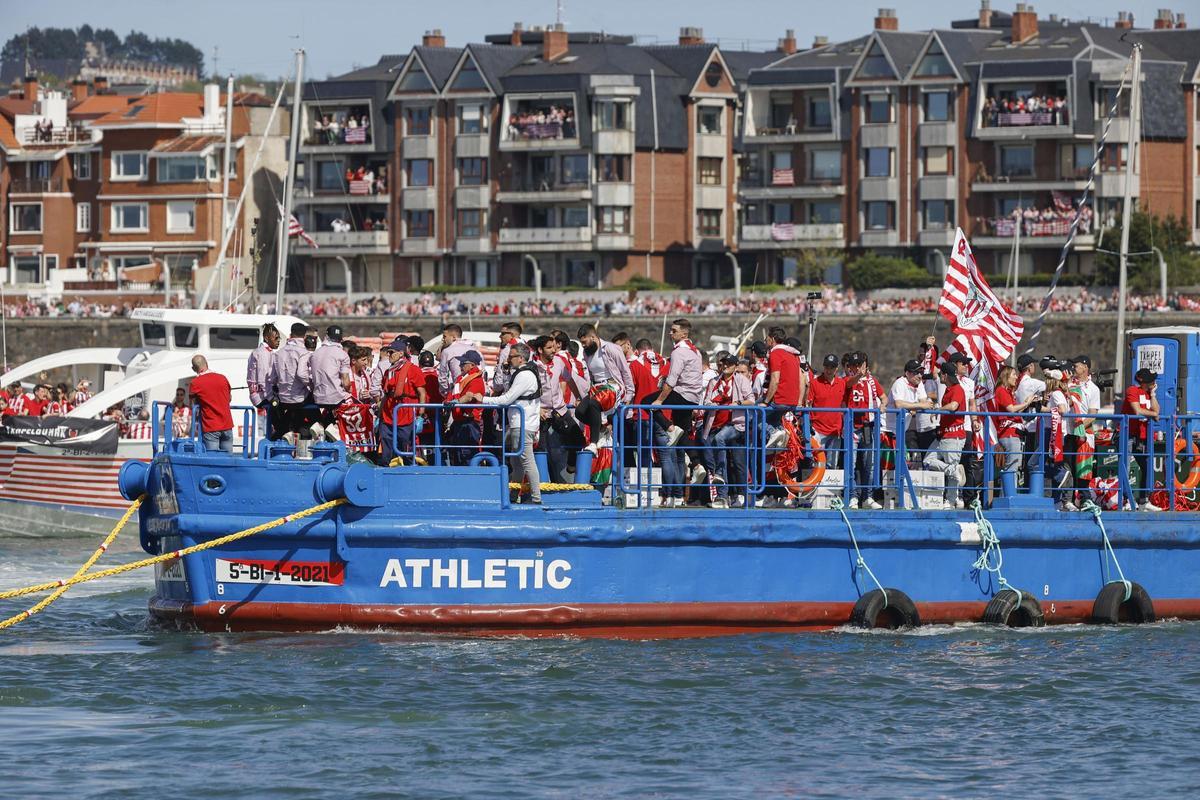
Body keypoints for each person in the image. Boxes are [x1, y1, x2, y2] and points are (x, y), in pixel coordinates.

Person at [479, 343, 543, 504]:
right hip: (519, 423)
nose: (509, 359)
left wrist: (483, 399)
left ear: (521, 358)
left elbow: (506, 399)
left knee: (527, 461)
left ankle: (536, 498)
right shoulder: (521, 373)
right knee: (516, 462)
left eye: (511, 356)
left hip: (523, 424)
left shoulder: (525, 375)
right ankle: (514, 496)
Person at [575, 324, 635, 454]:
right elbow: (591, 375)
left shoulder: (611, 349)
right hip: (596, 387)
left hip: (613, 385)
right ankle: (602, 429)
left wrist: (629, 394)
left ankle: (593, 443)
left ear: (593, 337)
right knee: (579, 412)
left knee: (593, 403)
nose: (583, 346)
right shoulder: (586, 353)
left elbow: (625, 371)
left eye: (584, 342)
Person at [844, 352, 885, 509]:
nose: (856, 367)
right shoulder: (847, 379)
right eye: (854, 365)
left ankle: (868, 496)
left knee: (870, 464)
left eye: (859, 364)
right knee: (851, 462)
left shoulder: (872, 381)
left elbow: (884, 397)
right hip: (853, 426)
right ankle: (853, 496)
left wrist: (883, 405)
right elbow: (848, 384)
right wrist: (858, 376)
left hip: (868, 426)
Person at [924, 363, 967, 509]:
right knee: (928, 460)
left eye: (941, 374)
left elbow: (954, 406)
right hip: (944, 435)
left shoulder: (957, 389)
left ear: (945, 375)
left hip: (954, 435)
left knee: (952, 474)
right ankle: (953, 472)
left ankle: (951, 500)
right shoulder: (950, 389)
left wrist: (938, 409)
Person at [379, 337, 427, 464]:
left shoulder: (413, 370)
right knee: (386, 446)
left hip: (406, 415)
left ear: (401, 353)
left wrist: (421, 416)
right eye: (388, 352)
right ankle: (385, 469)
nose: (388, 355)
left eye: (391, 352)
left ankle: (408, 469)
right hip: (388, 414)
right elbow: (386, 394)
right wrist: (379, 416)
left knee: (406, 445)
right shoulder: (388, 372)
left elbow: (422, 393)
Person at [882, 360, 934, 470]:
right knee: (885, 465)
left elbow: (924, 402)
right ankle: (878, 487)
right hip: (887, 429)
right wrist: (918, 405)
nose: (920, 375)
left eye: (921, 372)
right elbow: (899, 404)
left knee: (901, 464)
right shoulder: (899, 383)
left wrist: (916, 406)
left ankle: (896, 486)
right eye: (916, 372)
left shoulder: (919, 384)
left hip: (900, 430)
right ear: (907, 373)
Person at [1122, 368, 1161, 511]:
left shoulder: (1148, 393)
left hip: (1141, 436)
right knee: (1124, 467)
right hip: (1126, 434)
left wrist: (1153, 394)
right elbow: (1137, 411)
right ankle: (1125, 500)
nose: (1154, 381)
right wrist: (1153, 413)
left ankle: (1144, 500)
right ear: (1144, 381)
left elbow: (1157, 412)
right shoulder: (1132, 390)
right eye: (1151, 379)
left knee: (1146, 467)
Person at [992, 365, 1038, 486]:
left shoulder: (1007, 392)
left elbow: (1015, 411)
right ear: (1006, 376)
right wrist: (1026, 403)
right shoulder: (1001, 390)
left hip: (1013, 433)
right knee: (1011, 467)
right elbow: (1011, 409)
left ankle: (1008, 495)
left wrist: (1029, 404)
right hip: (1008, 434)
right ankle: (1007, 496)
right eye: (1013, 374)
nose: (1016, 377)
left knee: (1013, 466)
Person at [761, 326, 805, 449]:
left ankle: (773, 432)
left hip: (780, 400)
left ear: (773, 339)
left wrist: (765, 402)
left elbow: (775, 379)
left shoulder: (775, 353)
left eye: (767, 338)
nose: (765, 341)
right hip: (792, 402)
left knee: (752, 416)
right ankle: (780, 430)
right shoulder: (793, 355)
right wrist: (799, 401)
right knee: (774, 419)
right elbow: (803, 379)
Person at [269, 322, 313, 439]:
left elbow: (272, 379)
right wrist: (311, 385)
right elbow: (302, 374)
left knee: (291, 412)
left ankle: (285, 431)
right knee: (314, 410)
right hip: (299, 398)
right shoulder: (303, 352)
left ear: (290, 334)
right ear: (304, 337)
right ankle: (320, 427)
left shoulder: (278, 353)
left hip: (283, 399)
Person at [446, 350, 485, 466]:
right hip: (458, 422)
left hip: (470, 423)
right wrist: (447, 402)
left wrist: (456, 402)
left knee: (468, 454)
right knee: (457, 454)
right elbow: (452, 395)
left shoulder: (476, 380)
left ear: (472, 365)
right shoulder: (461, 380)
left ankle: (472, 478)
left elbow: (469, 396)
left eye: (463, 363)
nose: (460, 366)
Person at [310, 324, 353, 432]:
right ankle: (334, 428)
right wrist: (350, 390)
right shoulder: (343, 355)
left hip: (317, 397)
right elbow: (346, 382)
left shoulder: (315, 353)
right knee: (352, 403)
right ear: (340, 340)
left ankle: (322, 425)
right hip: (335, 398)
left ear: (326, 336)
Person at [807, 354, 847, 469]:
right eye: (827, 367)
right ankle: (816, 487)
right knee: (816, 464)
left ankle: (829, 487)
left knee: (832, 465)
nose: (829, 370)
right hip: (818, 431)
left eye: (832, 367)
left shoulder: (842, 383)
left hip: (835, 431)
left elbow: (844, 405)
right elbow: (808, 404)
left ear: (837, 368)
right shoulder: (814, 383)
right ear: (823, 367)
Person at [188, 355, 233, 453]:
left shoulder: (195, 383)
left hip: (211, 426)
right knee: (228, 461)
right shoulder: (222, 378)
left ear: (193, 368)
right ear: (207, 363)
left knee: (212, 461)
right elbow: (229, 398)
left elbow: (192, 405)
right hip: (227, 424)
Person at [1015, 354, 1047, 487]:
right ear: (1029, 367)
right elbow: (1050, 386)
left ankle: (1027, 486)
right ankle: (1033, 488)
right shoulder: (1031, 383)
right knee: (1034, 462)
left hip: (1023, 426)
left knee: (1027, 460)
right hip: (1034, 426)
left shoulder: (1018, 383)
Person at [247, 323, 280, 438]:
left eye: (279, 338)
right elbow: (263, 379)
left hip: (263, 394)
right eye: (276, 338)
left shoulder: (266, 352)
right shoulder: (263, 353)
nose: (278, 340)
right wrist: (272, 398)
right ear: (267, 338)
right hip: (262, 397)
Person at [437, 324, 482, 396]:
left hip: (460, 391)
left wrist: (446, 393)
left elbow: (442, 376)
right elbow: (483, 370)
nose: (443, 339)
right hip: (478, 390)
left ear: (454, 337)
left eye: (444, 337)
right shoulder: (475, 348)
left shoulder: (447, 351)